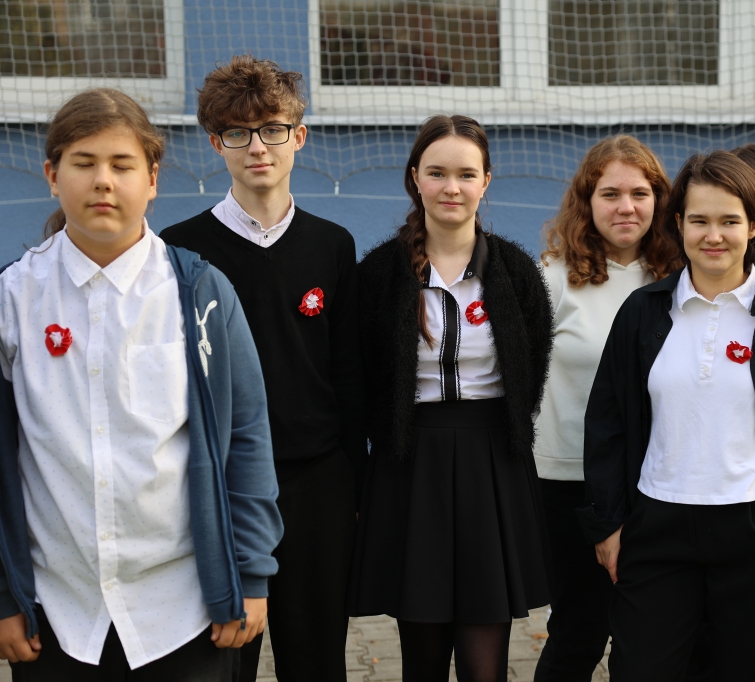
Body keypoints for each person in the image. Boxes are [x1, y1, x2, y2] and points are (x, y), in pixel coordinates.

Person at [0, 88, 283, 681]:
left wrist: (250, 575)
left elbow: (248, 436)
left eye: (122, 165)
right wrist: (4, 596)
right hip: (57, 613)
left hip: (183, 611)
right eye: (84, 163)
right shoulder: (13, 298)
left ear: (152, 179)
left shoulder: (200, 294)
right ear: (52, 176)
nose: (103, 181)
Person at [580, 150, 755, 681]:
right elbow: (608, 422)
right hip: (657, 524)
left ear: (754, 226)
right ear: (678, 224)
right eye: (699, 221)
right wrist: (608, 523)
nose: (714, 236)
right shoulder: (642, 311)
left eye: (729, 221)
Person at [160, 54, 366, 682]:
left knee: (317, 659)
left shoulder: (332, 244)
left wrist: (354, 483)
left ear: (298, 136)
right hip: (222, 484)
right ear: (215, 143)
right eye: (238, 133)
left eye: (272, 129)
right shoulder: (180, 250)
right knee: (224, 657)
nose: (257, 147)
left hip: (317, 483)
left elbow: (349, 373)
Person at [349, 114, 553, 682]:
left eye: (466, 174)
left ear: (486, 180)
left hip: (493, 463)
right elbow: (362, 378)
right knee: (423, 660)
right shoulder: (379, 275)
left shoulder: (515, 271)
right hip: (410, 464)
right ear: (415, 178)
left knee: (485, 665)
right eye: (437, 173)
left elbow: (531, 368)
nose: (451, 188)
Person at [532, 136, 683, 682]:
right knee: (581, 630)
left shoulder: (680, 277)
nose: (626, 207)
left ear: (660, 200)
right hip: (570, 482)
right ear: (586, 201)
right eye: (610, 194)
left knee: (649, 638)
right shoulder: (553, 277)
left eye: (640, 193)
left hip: (659, 481)